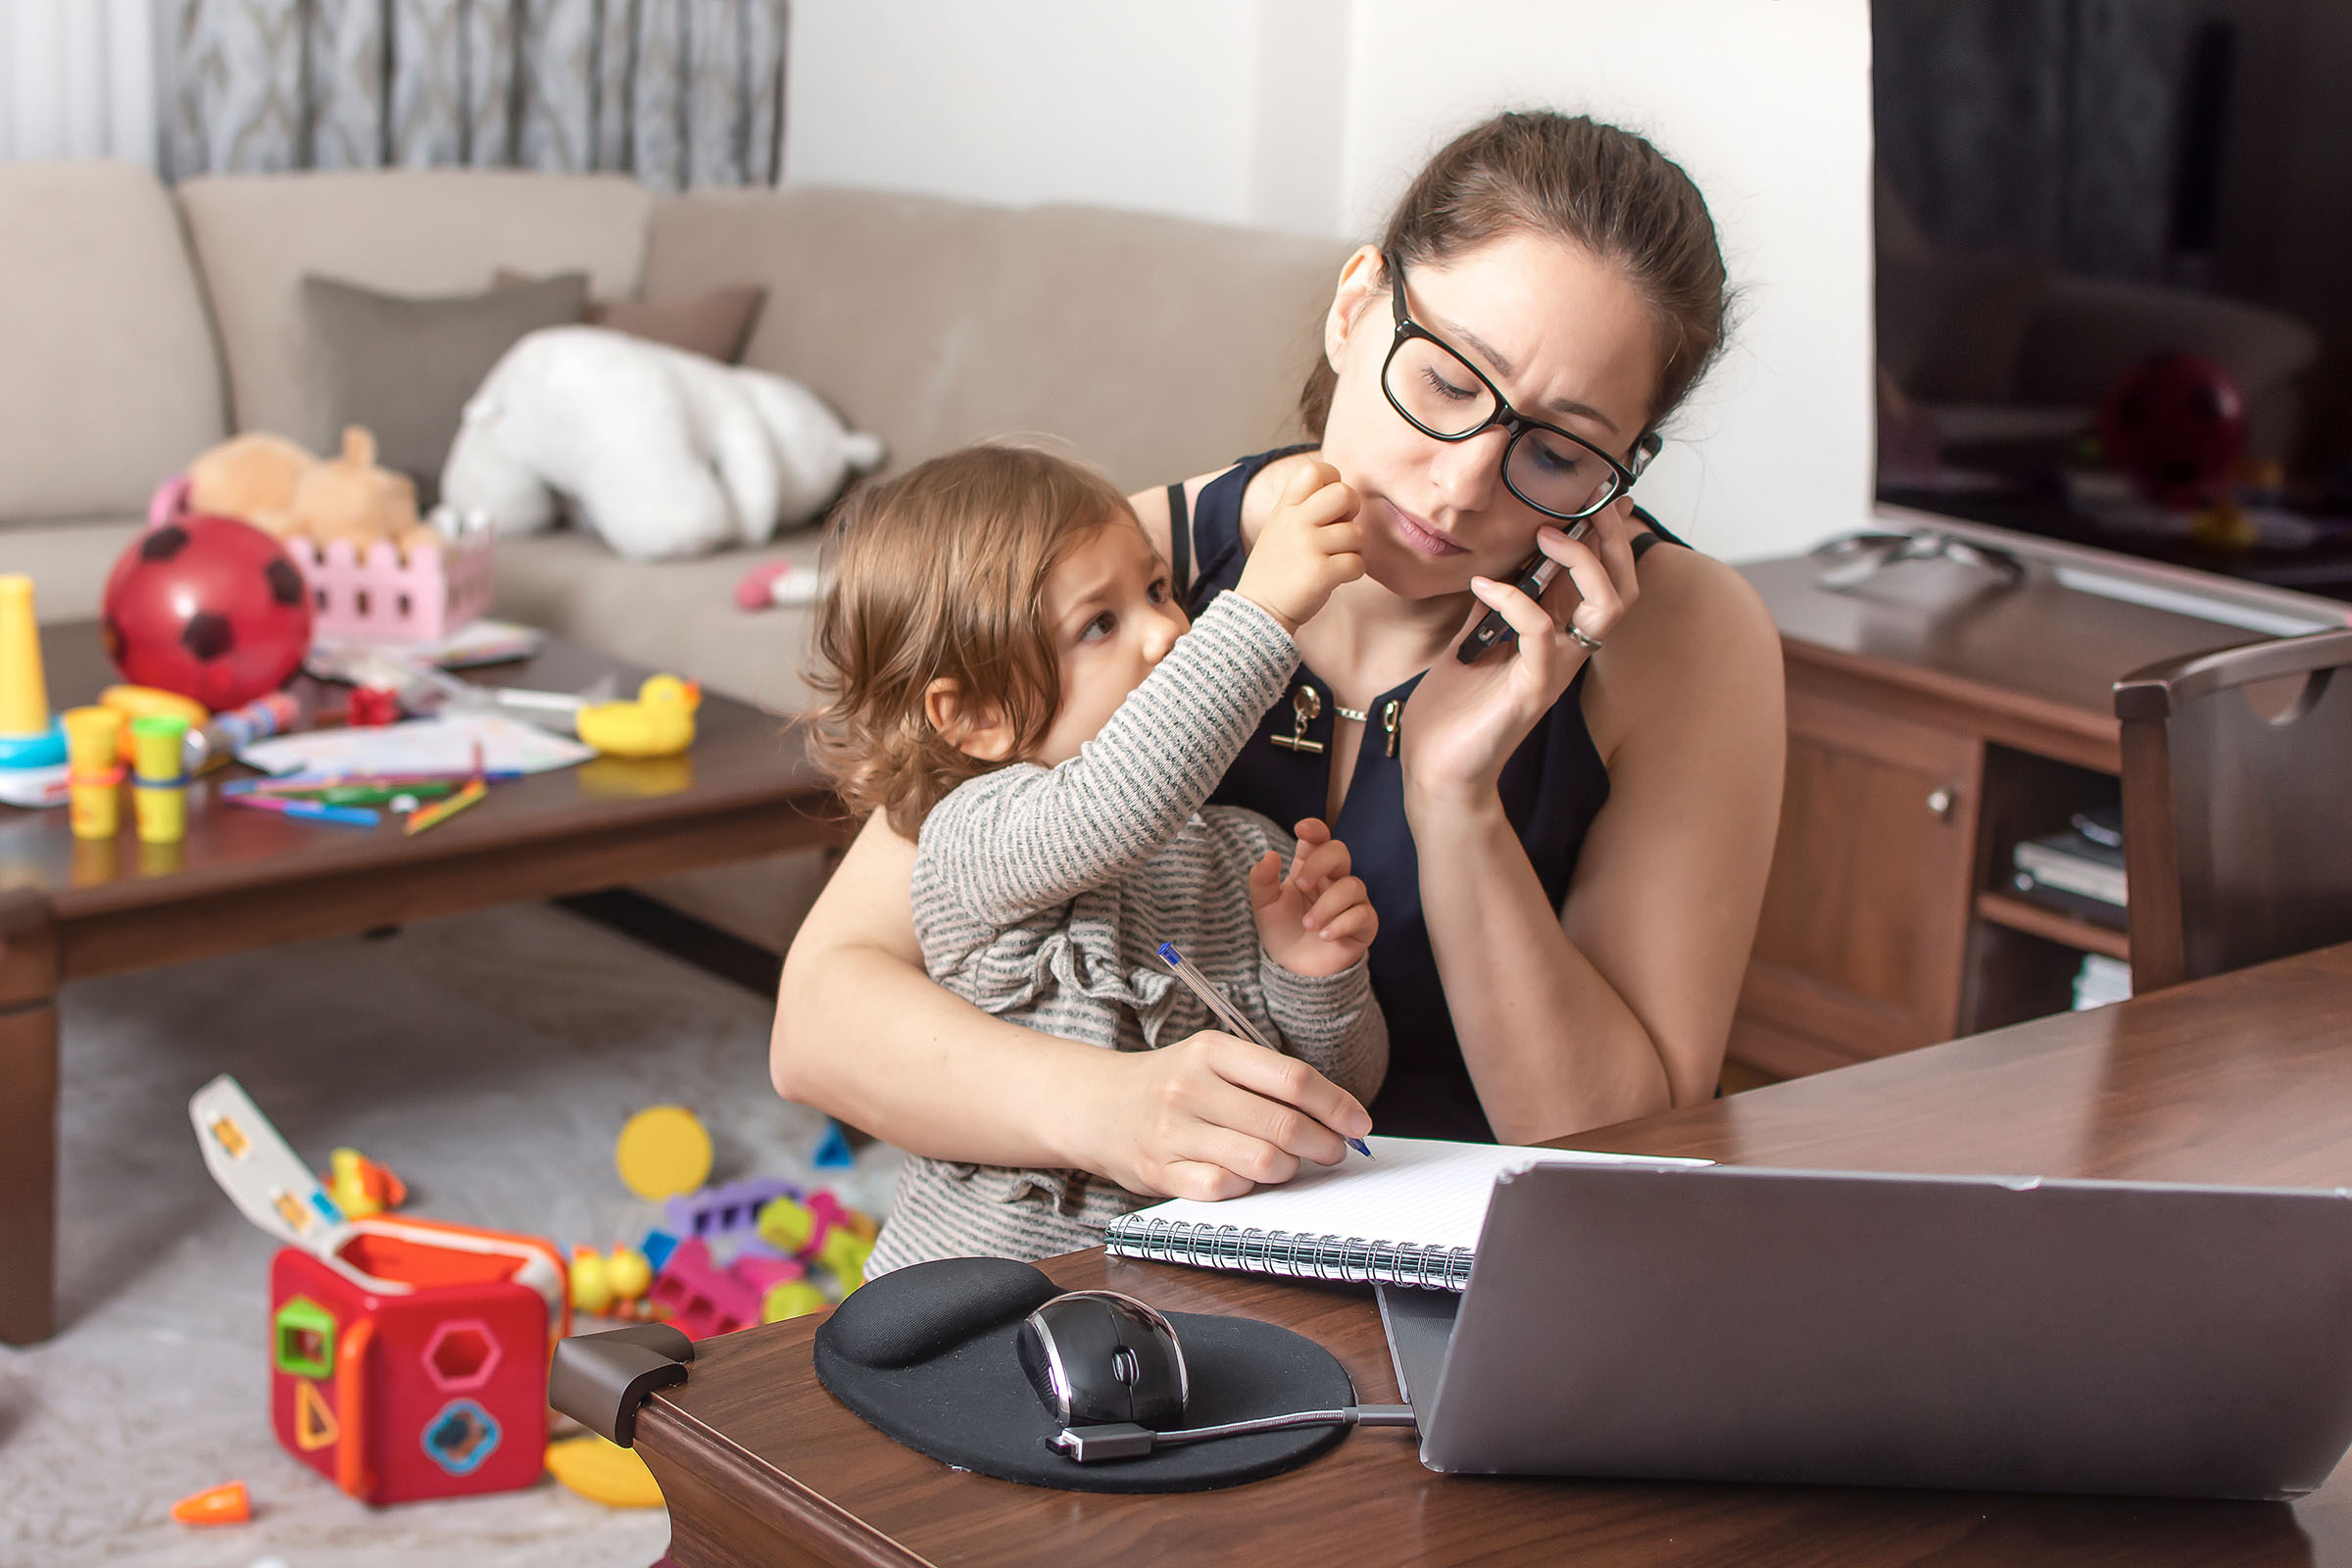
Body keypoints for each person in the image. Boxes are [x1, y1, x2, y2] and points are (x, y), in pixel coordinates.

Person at [772, 109, 1785, 1202]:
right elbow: (822, 1018)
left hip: (1481, 1270)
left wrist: (1456, 802)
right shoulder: (1131, 574)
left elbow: (1623, 1153)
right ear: (1356, 309)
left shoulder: (1685, 641)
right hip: (1133, 1244)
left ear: (1621, 470)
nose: (1459, 485)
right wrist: (1108, 1108)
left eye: (1554, 449)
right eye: (1447, 384)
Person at [803, 444, 1389, 1272]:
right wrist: (1261, 611)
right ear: (975, 717)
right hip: (969, 1306)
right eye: (1100, 624)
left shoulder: (1247, 852)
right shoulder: (969, 836)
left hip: (1178, 1294)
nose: (1167, 632)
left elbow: (1338, 1097)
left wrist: (1317, 976)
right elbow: (1111, 806)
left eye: (1157, 589)